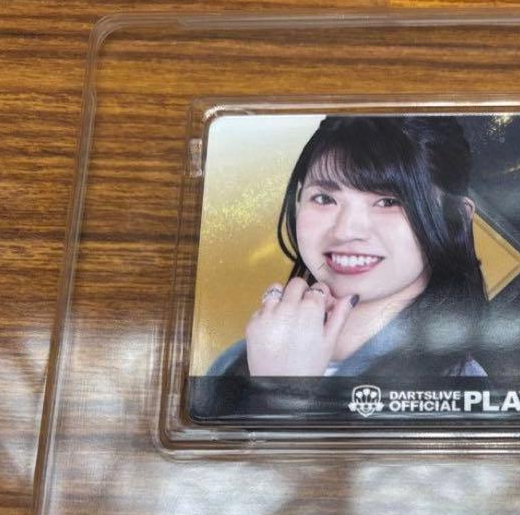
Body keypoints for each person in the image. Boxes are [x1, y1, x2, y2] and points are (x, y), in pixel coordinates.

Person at [207, 115, 487, 378]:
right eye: (324, 199)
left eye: (388, 202)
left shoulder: (460, 382)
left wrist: (283, 394)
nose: (345, 231)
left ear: (454, 218)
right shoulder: (240, 359)